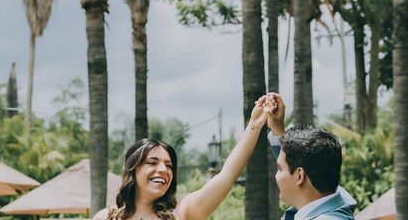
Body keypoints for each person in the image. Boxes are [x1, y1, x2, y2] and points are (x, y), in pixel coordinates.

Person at [93, 94, 276, 220]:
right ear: (132, 169)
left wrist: (254, 126)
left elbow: (226, 177)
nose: (163, 170)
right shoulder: (105, 217)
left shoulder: (182, 214)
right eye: (152, 162)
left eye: (169, 165)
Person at [266, 93, 356, 220]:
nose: (276, 176)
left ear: (299, 175)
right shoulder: (337, 203)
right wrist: (277, 129)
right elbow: (303, 159)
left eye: (280, 169)